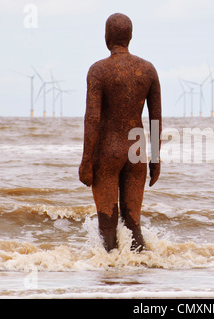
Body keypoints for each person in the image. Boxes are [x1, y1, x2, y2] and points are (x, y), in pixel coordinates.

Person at [78, 13, 162, 252]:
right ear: (130, 36)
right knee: (133, 224)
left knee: (107, 226)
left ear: (107, 36)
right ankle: (139, 273)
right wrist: (155, 159)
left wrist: (86, 161)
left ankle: (111, 279)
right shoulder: (148, 70)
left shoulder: (98, 71)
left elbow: (92, 118)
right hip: (137, 152)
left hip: (108, 151)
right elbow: (155, 118)